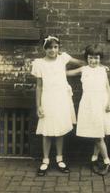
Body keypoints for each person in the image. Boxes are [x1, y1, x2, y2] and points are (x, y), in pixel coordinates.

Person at [31, 35, 85, 176]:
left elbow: (81, 63)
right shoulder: (39, 63)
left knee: (60, 129)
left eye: (55, 47)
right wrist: (39, 106)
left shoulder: (63, 58)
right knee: (47, 131)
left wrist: (97, 65)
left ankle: (60, 159)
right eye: (49, 47)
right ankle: (45, 161)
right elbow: (39, 87)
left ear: (58, 48)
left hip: (62, 98)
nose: (52, 50)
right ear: (45, 48)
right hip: (48, 99)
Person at [67, 44, 110, 176]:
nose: (94, 61)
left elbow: (108, 88)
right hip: (89, 105)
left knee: (99, 135)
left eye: (97, 58)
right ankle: (94, 159)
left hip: (102, 104)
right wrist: (56, 67)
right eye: (91, 58)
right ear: (87, 58)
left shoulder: (103, 70)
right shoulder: (84, 69)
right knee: (97, 134)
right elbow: (66, 73)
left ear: (100, 59)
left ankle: (106, 162)